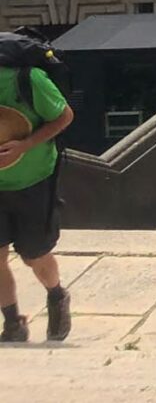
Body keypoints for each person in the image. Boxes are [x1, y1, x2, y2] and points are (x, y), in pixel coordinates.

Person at [0, 55, 75, 344]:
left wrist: (26, 146)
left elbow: (64, 116)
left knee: (34, 256)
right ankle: (12, 323)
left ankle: (56, 295)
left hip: (33, 180)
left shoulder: (27, 79)